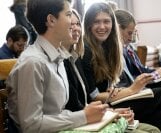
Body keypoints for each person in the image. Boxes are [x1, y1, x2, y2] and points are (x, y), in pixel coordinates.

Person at [81, 2, 161, 133]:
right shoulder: (86, 51)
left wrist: (117, 90)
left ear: (113, 24)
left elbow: (108, 86)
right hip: (103, 107)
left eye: (106, 21)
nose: (102, 26)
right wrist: (131, 90)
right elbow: (94, 96)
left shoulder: (108, 47)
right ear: (88, 24)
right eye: (96, 22)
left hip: (114, 98)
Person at [6, 0, 110, 133]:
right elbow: (31, 126)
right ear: (51, 20)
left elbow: (57, 112)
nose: (72, 23)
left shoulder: (59, 57)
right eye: (68, 15)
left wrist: (93, 112)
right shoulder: (33, 63)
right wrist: (83, 116)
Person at [63, 9, 161, 133]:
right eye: (71, 25)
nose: (76, 28)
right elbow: (91, 97)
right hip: (92, 113)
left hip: (99, 108)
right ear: (88, 25)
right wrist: (130, 90)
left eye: (77, 24)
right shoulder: (83, 53)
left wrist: (115, 92)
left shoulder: (100, 50)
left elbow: (91, 97)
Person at [0, 25, 28, 89]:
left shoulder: (16, 54)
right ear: (10, 40)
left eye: (24, 46)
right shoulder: (1, 57)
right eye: (19, 45)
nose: (22, 49)